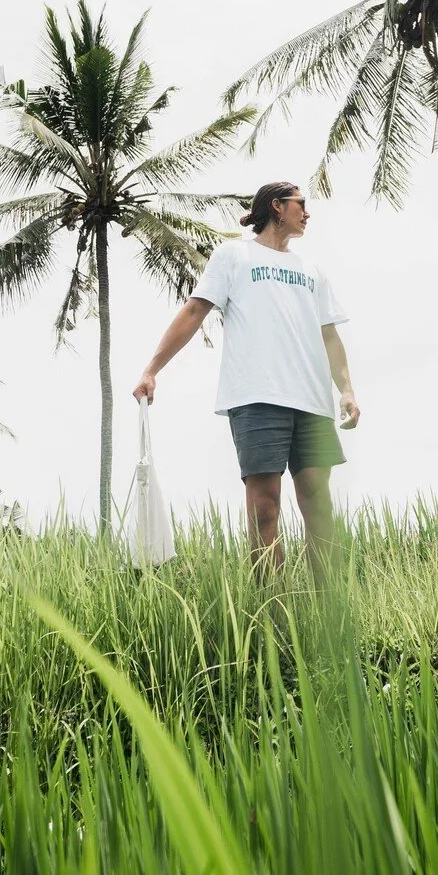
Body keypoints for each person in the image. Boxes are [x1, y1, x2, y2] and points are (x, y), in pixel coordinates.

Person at [132, 180, 359, 584]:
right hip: (257, 397)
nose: (307, 213)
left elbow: (329, 335)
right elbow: (194, 311)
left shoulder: (312, 270)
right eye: (300, 204)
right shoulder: (234, 256)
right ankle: (273, 610)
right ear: (277, 206)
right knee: (265, 508)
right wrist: (152, 368)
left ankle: (329, 609)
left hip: (312, 402)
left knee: (318, 502)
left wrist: (346, 389)